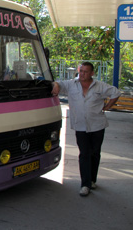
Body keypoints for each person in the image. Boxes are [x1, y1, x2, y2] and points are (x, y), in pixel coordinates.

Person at [51, 62, 121, 197]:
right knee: (84, 153)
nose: (82, 74)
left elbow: (115, 93)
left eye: (86, 71)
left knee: (95, 153)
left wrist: (107, 107)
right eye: (81, 71)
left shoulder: (100, 86)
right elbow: (58, 83)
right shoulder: (71, 84)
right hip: (80, 126)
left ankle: (92, 180)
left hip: (97, 125)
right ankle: (85, 184)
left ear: (92, 73)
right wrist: (55, 86)